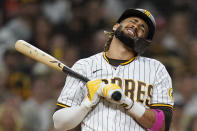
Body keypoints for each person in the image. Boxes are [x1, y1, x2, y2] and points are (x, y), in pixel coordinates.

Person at [53, 8, 174, 131]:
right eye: (133, 21)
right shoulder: (84, 65)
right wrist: (86, 104)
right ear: (116, 26)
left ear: (143, 43)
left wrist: (126, 102)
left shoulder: (156, 69)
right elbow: (59, 123)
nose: (136, 25)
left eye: (142, 28)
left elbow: (162, 126)